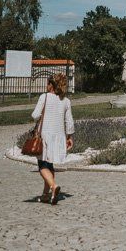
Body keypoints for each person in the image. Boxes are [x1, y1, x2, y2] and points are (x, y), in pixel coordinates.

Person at [30, 72, 75, 205]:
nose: (46, 85)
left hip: (45, 135)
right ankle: (46, 194)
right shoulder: (66, 101)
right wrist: (69, 137)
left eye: (47, 83)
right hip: (59, 136)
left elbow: (35, 115)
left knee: (42, 166)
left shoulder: (44, 97)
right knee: (50, 165)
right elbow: (69, 121)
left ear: (51, 85)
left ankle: (54, 187)